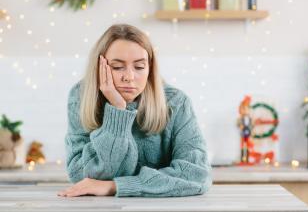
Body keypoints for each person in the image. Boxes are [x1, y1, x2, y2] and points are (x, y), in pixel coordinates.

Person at [57, 24, 212, 197]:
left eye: (139, 67)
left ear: (149, 69)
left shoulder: (176, 102)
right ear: (100, 67)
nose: (129, 77)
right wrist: (117, 110)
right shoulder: (81, 96)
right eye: (117, 67)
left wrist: (116, 186)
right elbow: (80, 175)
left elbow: (197, 175)